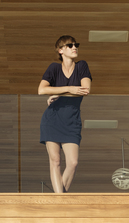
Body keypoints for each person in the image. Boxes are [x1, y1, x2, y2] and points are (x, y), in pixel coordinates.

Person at [38, 35, 92, 193]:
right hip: (52, 119)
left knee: (73, 163)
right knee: (55, 160)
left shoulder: (82, 66)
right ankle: (60, 202)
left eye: (76, 45)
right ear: (60, 50)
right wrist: (69, 89)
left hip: (72, 121)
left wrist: (58, 93)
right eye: (70, 45)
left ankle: (58, 200)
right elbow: (41, 90)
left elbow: (85, 90)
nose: (74, 47)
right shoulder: (54, 68)